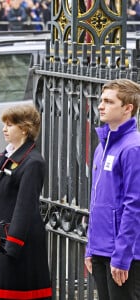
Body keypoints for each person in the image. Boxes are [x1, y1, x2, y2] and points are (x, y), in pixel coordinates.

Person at [0, 104, 52, 300]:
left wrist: (12, 245)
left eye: (10, 124)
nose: (4, 128)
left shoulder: (33, 161)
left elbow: (25, 206)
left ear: (24, 128)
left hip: (18, 244)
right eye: (4, 124)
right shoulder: (6, 157)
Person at [85, 79, 140, 300]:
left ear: (128, 108)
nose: (101, 105)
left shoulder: (133, 147)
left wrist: (122, 256)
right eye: (101, 100)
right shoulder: (103, 145)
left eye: (109, 101)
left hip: (123, 255)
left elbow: (134, 205)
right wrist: (91, 247)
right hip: (101, 249)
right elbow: (96, 200)